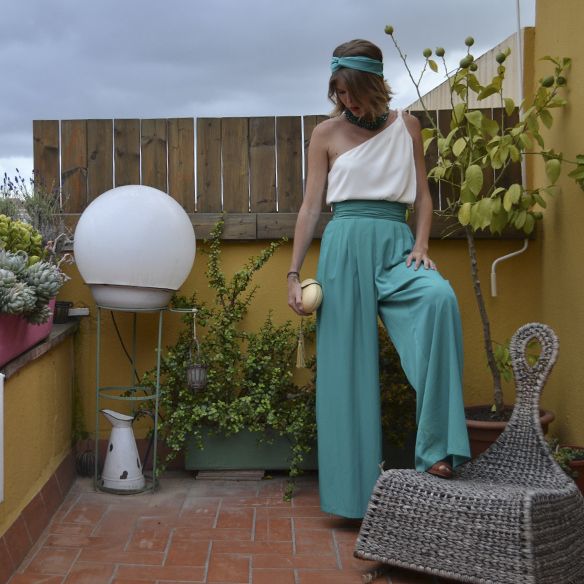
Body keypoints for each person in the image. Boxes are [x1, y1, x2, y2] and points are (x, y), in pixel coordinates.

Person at [287, 39, 471, 519]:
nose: (346, 100)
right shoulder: (325, 133)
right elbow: (310, 207)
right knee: (345, 370)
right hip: (344, 248)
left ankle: (437, 451)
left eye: (352, 90)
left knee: (439, 300)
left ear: (372, 84)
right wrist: (293, 273)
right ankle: (354, 499)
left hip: (396, 247)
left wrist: (421, 245)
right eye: (339, 92)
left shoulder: (407, 126)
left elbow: (424, 196)